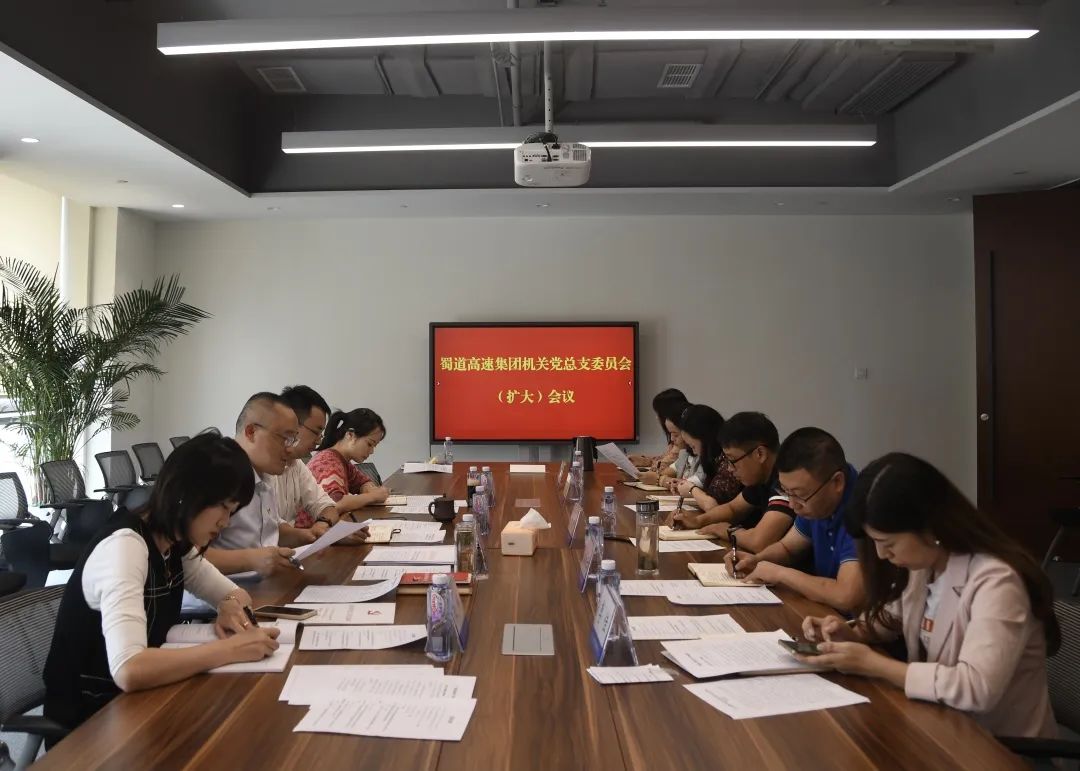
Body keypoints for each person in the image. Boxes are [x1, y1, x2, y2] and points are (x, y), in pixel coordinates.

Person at [800, 453, 1059, 739]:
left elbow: (976, 688)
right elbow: (890, 619)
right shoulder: (927, 565)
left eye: (888, 543)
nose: (881, 554)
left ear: (929, 527)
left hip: (1001, 746)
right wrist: (849, 632)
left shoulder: (998, 582)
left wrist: (874, 664)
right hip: (943, 725)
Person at [43, 434, 280, 731]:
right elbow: (129, 669)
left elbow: (234, 593)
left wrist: (229, 605)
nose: (226, 522)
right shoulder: (125, 546)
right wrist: (232, 650)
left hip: (140, 702)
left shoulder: (173, 541)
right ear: (189, 493)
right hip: (90, 722)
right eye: (224, 507)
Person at [724, 427, 863, 613]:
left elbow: (845, 595)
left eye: (798, 494)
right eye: (786, 492)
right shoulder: (816, 499)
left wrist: (780, 573)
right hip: (823, 613)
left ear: (837, 482)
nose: (792, 505)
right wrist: (756, 560)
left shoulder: (863, 509)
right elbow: (788, 548)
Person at [206, 393, 309, 576]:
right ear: (251, 432)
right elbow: (185, 557)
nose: (290, 448)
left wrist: (316, 536)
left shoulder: (263, 474)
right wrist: (251, 560)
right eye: (285, 438)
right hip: (224, 590)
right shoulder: (216, 474)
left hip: (264, 583)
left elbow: (270, 528)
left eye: (293, 440)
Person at [679, 411, 795, 552]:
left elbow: (759, 541)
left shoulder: (787, 478)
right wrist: (697, 520)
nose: (729, 468)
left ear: (760, 454)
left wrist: (726, 530)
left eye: (732, 460)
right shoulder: (761, 476)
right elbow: (733, 509)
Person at [272, 385, 361, 540]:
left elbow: (326, 505)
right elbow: (273, 533)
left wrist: (323, 526)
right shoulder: (261, 469)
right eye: (316, 432)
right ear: (291, 423)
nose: (319, 440)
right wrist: (326, 535)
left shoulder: (296, 464)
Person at [307, 408, 391, 520]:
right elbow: (335, 504)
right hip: (313, 529)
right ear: (350, 435)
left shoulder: (342, 460)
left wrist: (368, 488)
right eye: (369, 444)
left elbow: (362, 482)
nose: (371, 451)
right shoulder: (327, 462)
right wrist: (372, 496)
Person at [667, 404, 741, 512]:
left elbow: (713, 506)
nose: (694, 452)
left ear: (705, 439)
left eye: (693, 446)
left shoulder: (727, 462)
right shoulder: (715, 460)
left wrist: (691, 489)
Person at [628, 388, 689, 476]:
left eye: (659, 413)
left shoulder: (682, 443)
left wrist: (646, 462)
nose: (657, 417)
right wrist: (645, 461)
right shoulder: (675, 439)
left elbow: (662, 466)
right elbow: (664, 458)